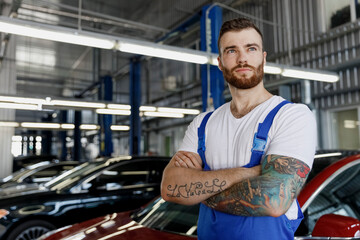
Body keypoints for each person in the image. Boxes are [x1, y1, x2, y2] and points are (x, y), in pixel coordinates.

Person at [161, 17, 317, 240]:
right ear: (220, 62)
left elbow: (274, 200)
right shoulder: (203, 123)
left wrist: (197, 188)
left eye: (251, 48)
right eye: (232, 51)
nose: (242, 58)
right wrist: (249, 173)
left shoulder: (291, 115)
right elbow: (170, 188)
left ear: (263, 57)